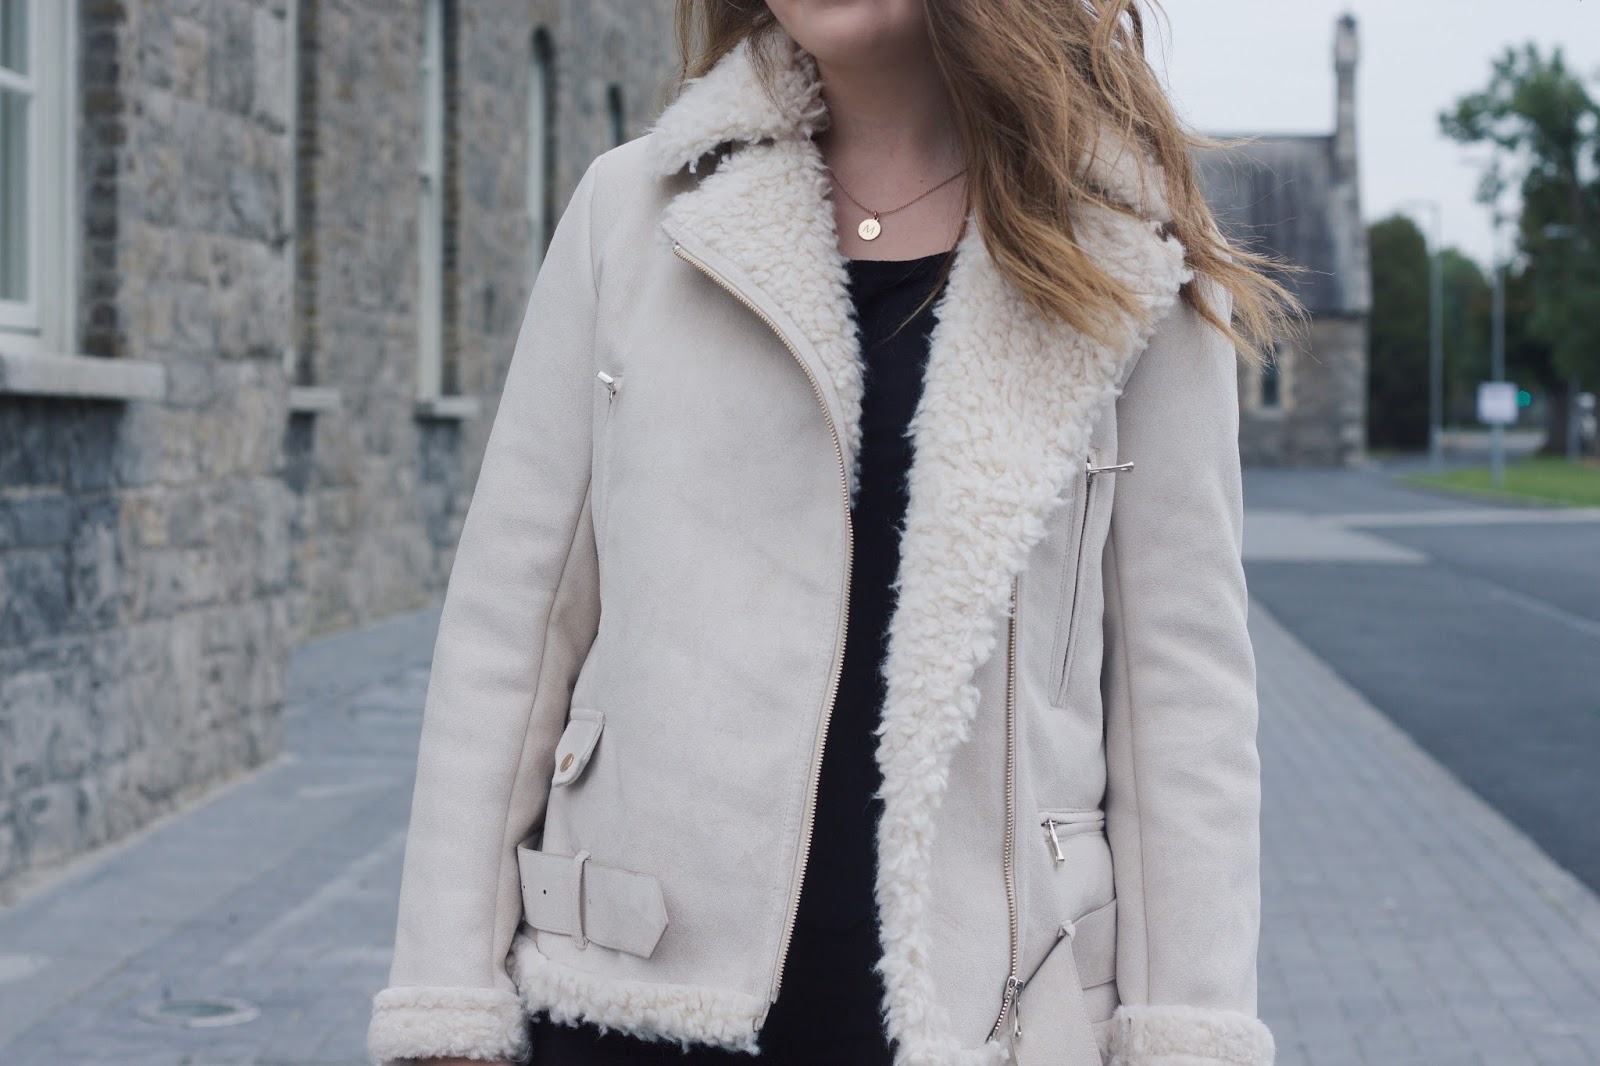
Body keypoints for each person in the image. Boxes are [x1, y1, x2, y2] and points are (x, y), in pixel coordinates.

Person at [366, 2, 1306, 1066]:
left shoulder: (1126, 245)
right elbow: (510, 628)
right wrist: (445, 1004)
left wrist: (1188, 1035)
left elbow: (1182, 696)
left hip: (991, 1021)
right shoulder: (631, 214)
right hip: (630, 1001)